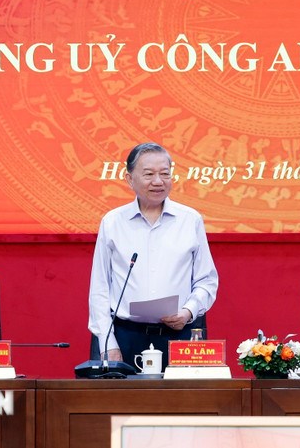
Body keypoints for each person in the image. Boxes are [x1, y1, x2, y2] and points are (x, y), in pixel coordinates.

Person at [88, 142, 219, 364]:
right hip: (125, 336)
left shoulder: (190, 220)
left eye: (165, 174)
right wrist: (107, 343)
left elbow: (206, 280)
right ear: (130, 179)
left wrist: (188, 311)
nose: (158, 181)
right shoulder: (113, 222)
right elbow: (100, 288)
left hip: (178, 335)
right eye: (149, 174)